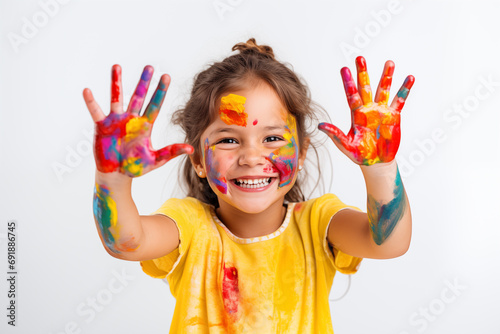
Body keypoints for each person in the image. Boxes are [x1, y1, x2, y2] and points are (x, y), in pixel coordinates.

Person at [83, 38, 413, 333]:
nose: (252, 156)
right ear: (198, 159)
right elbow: (125, 242)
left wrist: (380, 167)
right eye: (228, 140)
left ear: (301, 154)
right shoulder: (191, 225)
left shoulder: (316, 223)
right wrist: (112, 178)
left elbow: (389, 243)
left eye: (272, 138)